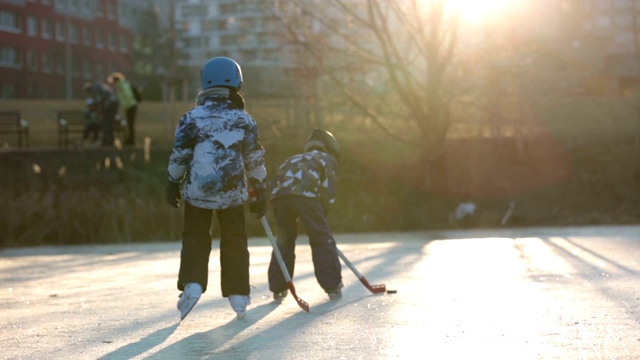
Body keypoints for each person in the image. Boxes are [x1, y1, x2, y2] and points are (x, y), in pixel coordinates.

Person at [165, 57, 268, 321]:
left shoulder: (191, 118)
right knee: (235, 239)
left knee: (196, 236)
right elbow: (254, 157)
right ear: (236, 83)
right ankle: (238, 294)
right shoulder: (243, 120)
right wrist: (260, 186)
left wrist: (172, 181)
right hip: (233, 192)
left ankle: (193, 283)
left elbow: (180, 155)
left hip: (199, 191)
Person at [267, 128, 343, 301]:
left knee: (284, 240)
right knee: (321, 238)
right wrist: (320, 216)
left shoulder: (293, 158)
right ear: (331, 148)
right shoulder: (327, 159)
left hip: (279, 196)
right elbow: (328, 192)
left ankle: (278, 287)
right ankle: (332, 284)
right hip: (306, 196)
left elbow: (276, 180)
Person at [84, 81, 119, 147]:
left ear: (89, 90)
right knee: (109, 124)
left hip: (110, 105)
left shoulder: (96, 90)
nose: (90, 95)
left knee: (106, 124)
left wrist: (100, 113)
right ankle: (110, 142)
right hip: (114, 103)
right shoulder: (99, 87)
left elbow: (101, 103)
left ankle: (106, 143)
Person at [108, 72, 138, 146]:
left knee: (130, 124)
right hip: (129, 106)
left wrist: (125, 104)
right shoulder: (123, 85)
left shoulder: (121, 86)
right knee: (129, 124)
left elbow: (127, 96)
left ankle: (131, 141)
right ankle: (130, 140)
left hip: (130, 106)